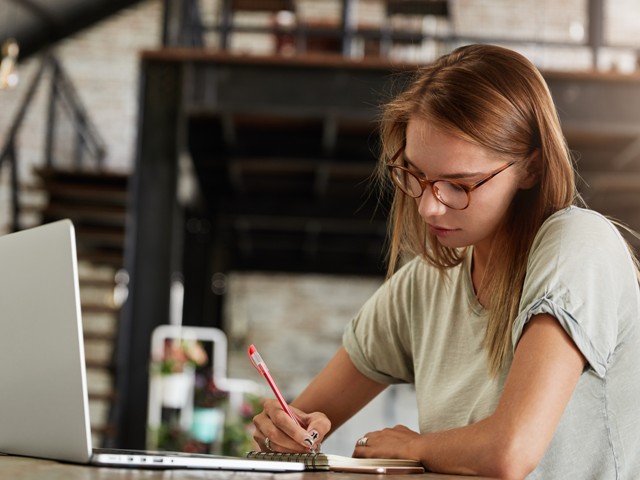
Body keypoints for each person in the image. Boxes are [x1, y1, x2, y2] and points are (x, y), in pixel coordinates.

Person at [252, 44, 640, 479]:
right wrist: (287, 429)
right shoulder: (425, 284)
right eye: (417, 175)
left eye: (459, 184)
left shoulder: (579, 245)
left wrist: (414, 446)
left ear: (530, 168)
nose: (429, 208)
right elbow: (304, 418)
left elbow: (509, 452)